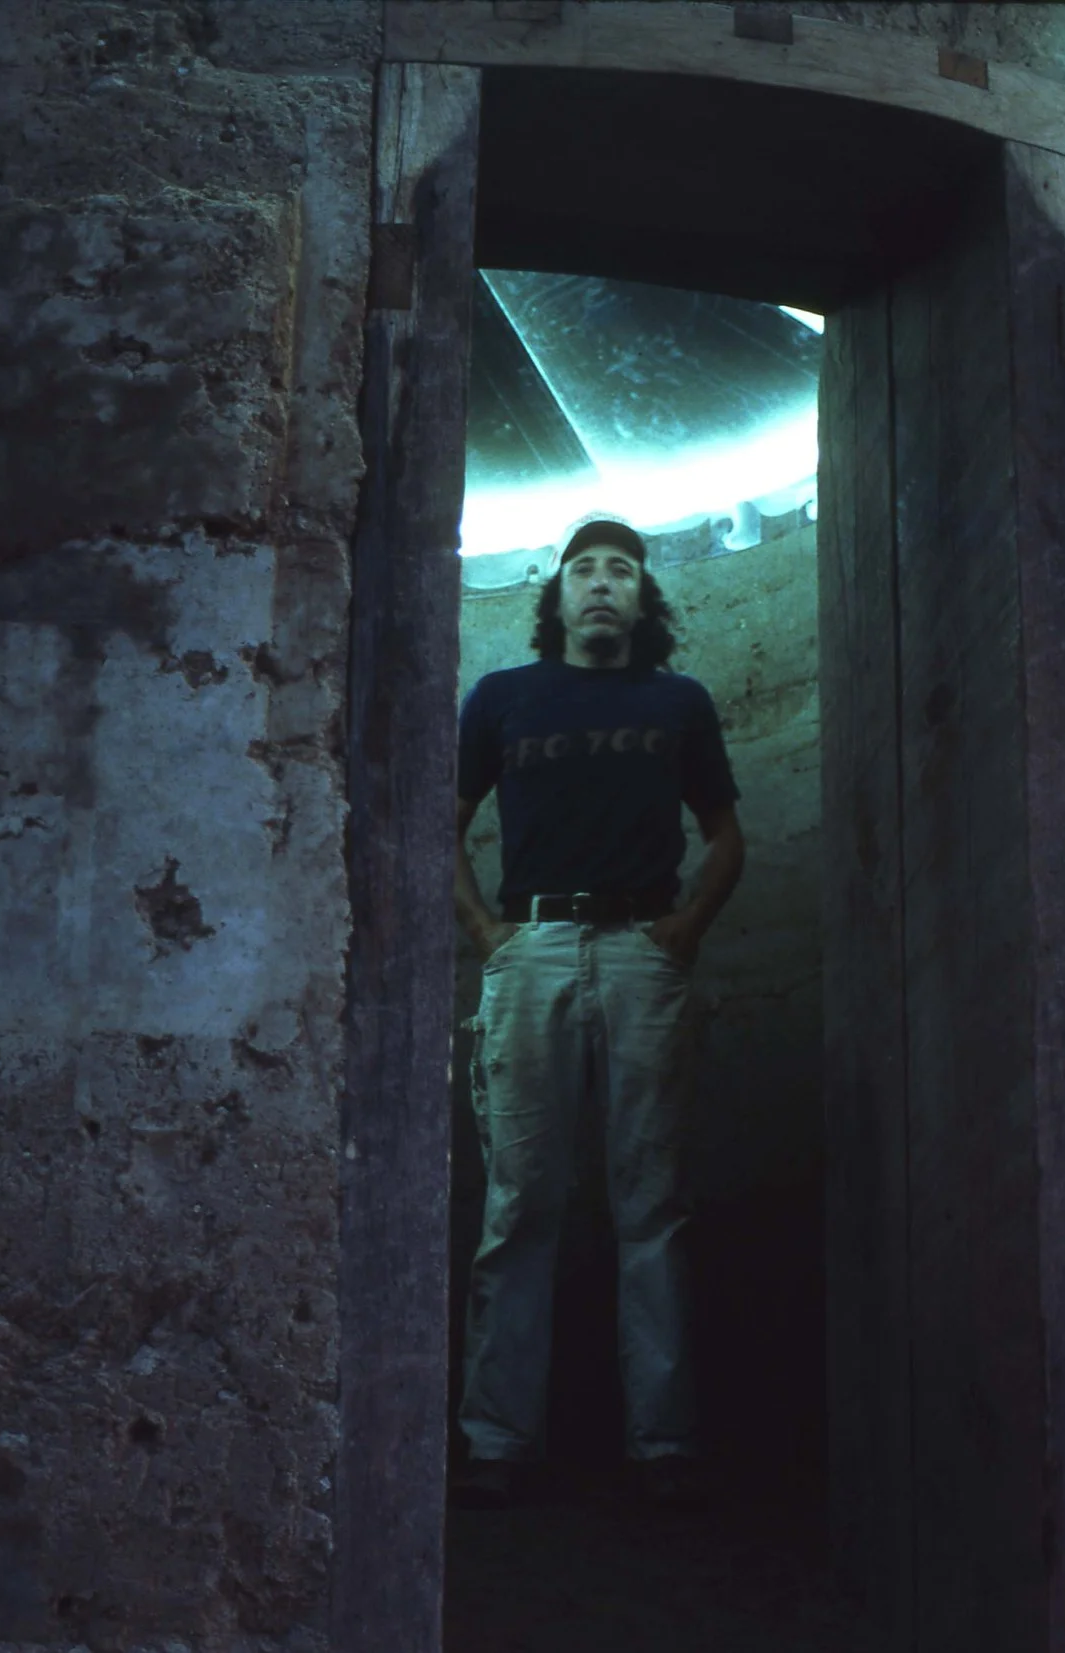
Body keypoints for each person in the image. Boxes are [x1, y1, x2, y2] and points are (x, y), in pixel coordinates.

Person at [449, 518, 744, 1510]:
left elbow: (725, 837)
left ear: (642, 595)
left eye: (621, 568)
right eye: (584, 569)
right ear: (559, 594)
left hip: (638, 951)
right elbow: (435, 826)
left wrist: (686, 927)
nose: (603, 583)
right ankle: (497, 1442)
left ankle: (662, 1446)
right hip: (529, 951)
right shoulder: (501, 699)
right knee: (519, 1203)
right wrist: (488, 935)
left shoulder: (677, 704)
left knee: (650, 1207)